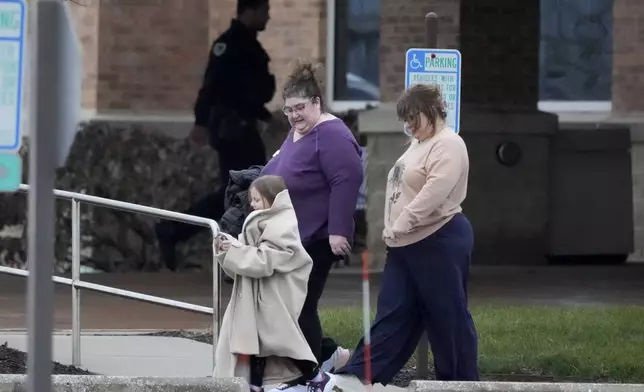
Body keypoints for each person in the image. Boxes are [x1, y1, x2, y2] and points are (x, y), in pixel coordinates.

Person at [335, 84, 479, 384]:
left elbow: (433, 193)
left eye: (415, 117)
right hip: (404, 245)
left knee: (447, 318)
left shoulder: (449, 144)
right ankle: (359, 375)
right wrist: (395, 231)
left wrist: (399, 225)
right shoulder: (418, 142)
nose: (410, 125)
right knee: (392, 314)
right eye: (406, 119)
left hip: (438, 239)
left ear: (434, 110)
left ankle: (459, 383)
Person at [260, 60, 362, 382]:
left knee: (300, 306)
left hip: (317, 239)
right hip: (292, 237)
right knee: (288, 306)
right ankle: (330, 355)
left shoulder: (331, 136)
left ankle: (310, 374)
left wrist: (338, 231)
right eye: (288, 110)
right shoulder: (298, 132)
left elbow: (346, 180)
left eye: (299, 108)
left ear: (317, 102)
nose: (293, 116)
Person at [155, 0, 275, 270]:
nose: (268, 16)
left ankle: (177, 231)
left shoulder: (249, 46)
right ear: (251, 10)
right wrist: (201, 123)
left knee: (241, 193)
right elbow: (212, 86)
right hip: (232, 130)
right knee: (243, 192)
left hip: (244, 125)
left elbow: (251, 92)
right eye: (264, 10)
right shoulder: (229, 45)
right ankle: (186, 235)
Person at [213, 175, 339, 392]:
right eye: (252, 199)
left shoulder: (282, 223)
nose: (252, 204)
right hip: (258, 293)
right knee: (255, 342)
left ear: (274, 200)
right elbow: (250, 252)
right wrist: (228, 249)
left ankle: (315, 375)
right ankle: (255, 383)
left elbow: (267, 259)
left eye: (257, 199)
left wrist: (235, 251)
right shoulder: (261, 220)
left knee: (280, 340)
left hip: (274, 295)